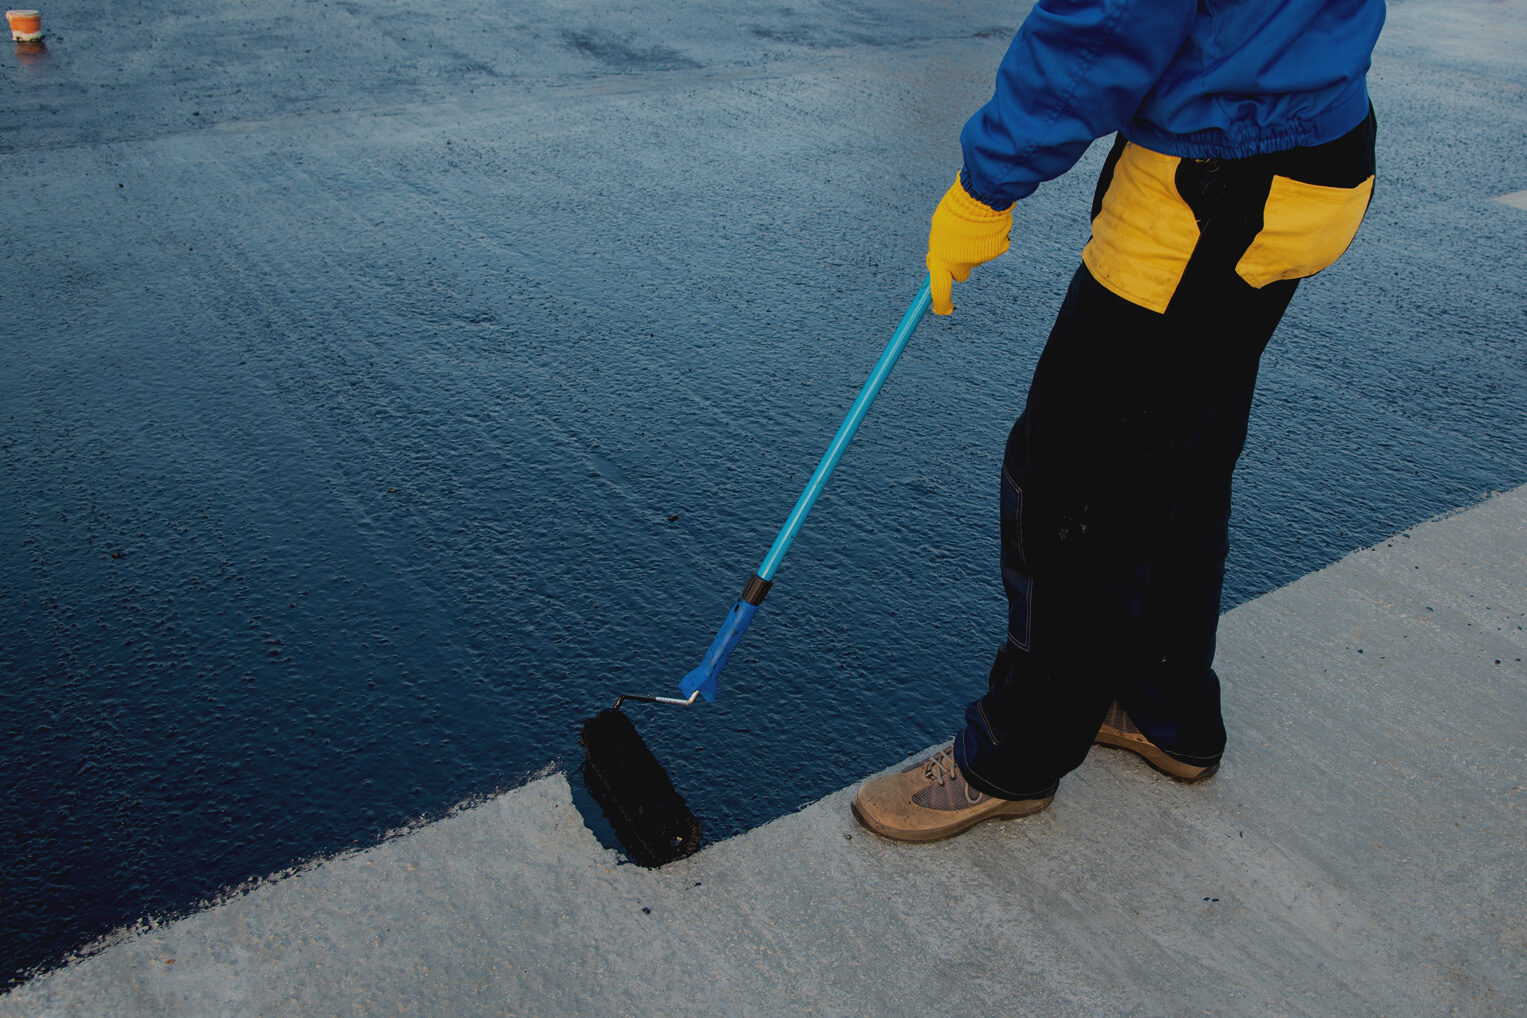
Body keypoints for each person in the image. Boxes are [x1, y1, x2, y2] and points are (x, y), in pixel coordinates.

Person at [852, 0, 1386, 842]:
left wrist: (987, 183)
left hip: (1209, 182)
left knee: (1070, 485)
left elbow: (1106, 21)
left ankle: (1015, 757)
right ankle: (1158, 708)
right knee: (1179, 457)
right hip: (1309, 150)